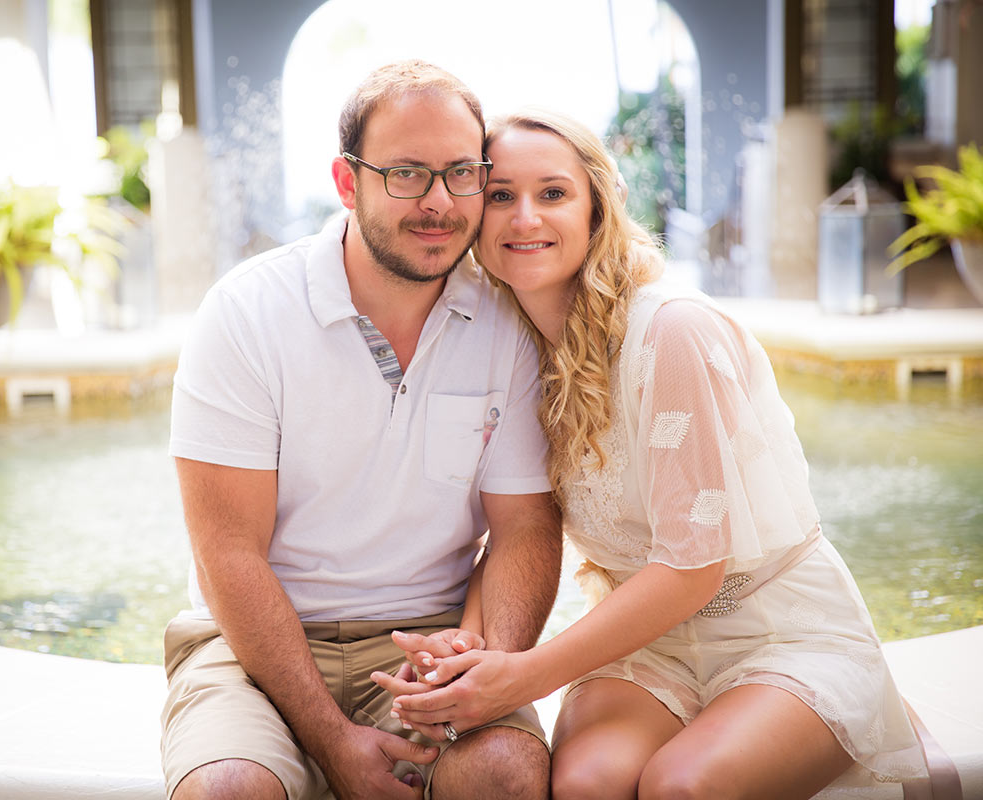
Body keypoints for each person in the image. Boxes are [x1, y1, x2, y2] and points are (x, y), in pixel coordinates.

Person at [378, 108, 928, 799]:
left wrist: (525, 675)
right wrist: (464, 649)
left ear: (597, 208)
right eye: (499, 196)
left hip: (778, 635)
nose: (525, 219)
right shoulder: (512, 349)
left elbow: (694, 569)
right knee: (585, 785)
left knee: (682, 787)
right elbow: (519, 526)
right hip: (650, 650)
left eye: (553, 193)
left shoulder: (670, 332)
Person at [161, 62, 563, 800]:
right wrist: (334, 741)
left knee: (504, 775)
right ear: (349, 184)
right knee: (227, 788)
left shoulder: (510, 322)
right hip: (250, 645)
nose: (439, 203)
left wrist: (480, 659)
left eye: (461, 174)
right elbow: (227, 555)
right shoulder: (246, 314)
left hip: (432, 636)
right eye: (407, 174)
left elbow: (526, 530)